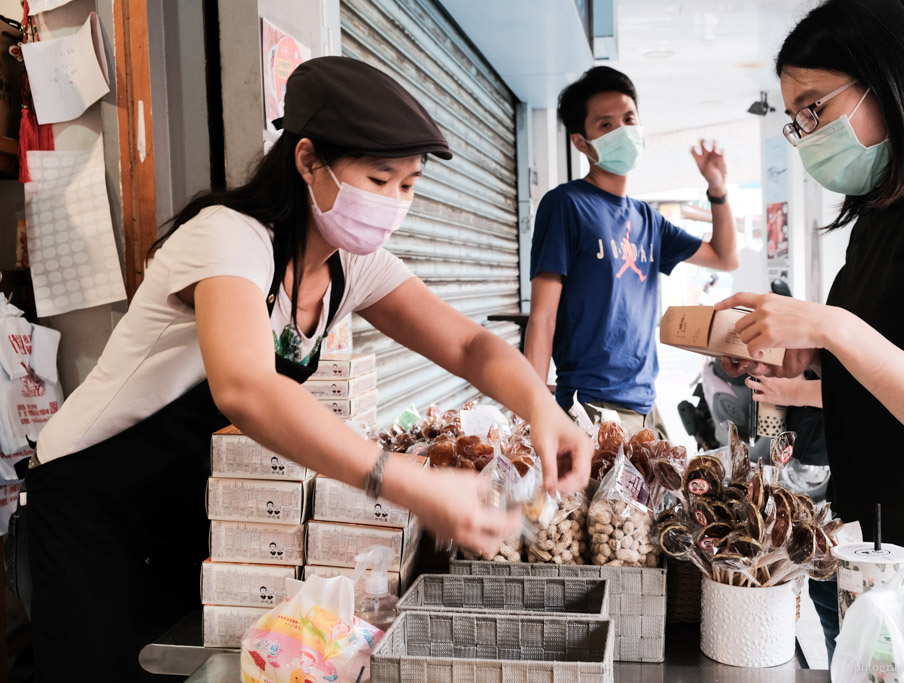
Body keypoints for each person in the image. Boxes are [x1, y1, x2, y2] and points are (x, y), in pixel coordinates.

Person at [26, 57, 593, 682]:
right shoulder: (228, 238)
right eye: (379, 179)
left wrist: (543, 407)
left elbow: (467, 346)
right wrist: (396, 477)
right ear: (306, 161)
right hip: (90, 500)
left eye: (408, 185)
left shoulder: (354, 264)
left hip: (180, 507)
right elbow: (244, 387)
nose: (395, 204)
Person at [715, 1, 904, 678]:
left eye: (814, 109)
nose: (806, 132)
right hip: (868, 568)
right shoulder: (879, 229)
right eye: (797, 120)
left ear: (888, 82)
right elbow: (884, 389)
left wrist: (832, 327)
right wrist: (800, 355)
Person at [524, 66, 739, 437]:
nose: (622, 131)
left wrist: (717, 190)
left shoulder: (647, 219)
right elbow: (542, 316)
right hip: (590, 405)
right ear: (581, 142)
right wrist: (530, 409)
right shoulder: (566, 205)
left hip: (645, 405)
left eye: (629, 119)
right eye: (606, 125)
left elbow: (724, 257)